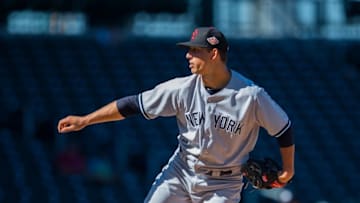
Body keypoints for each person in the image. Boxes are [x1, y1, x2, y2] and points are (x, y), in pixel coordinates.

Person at [57, 27, 295, 203]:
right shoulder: (182, 89)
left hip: (223, 184)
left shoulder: (251, 96)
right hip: (181, 171)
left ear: (213, 54)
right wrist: (86, 120)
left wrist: (287, 171)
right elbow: (132, 105)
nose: (188, 56)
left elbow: (283, 129)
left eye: (195, 50)